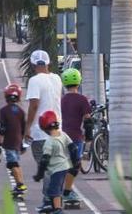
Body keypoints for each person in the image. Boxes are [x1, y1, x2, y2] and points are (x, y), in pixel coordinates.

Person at [23, 50, 62, 210]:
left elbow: (34, 105)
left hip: (40, 132)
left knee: (45, 167)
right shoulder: (57, 79)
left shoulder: (34, 81)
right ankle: (56, 200)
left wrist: (27, 128)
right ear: (48, 63)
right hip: (57, 130)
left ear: (33, 65)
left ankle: (48, 200)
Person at [33, 111, 77, 214]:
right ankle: (54, 206)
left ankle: (57, 209)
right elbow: (73, 148)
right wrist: (76, 162)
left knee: (54, 190)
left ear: (43, 127)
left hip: (56, 169)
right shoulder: (63, 134)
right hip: (66, 166)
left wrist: (39, 175)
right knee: (57, 188)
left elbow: (44, 160)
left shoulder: (49, 141)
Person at [59, 69, 91, 204]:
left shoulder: (61, 100)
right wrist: (88, 137)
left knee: (63, 164)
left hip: (61, 136)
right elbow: (88, 120)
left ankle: (64, 189)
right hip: (76, 136)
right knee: (75, 165)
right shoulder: (83, 100)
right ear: (78, 81)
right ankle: (67, 192)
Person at [0, 83, 27, 197]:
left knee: (12, 163)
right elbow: (23, 128)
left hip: (9, 141)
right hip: (18, 141)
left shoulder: (3, 111)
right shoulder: (21, 111)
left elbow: (3, 128)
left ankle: (20, 184)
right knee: (16, 163)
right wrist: (22, 144)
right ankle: (19, 184)